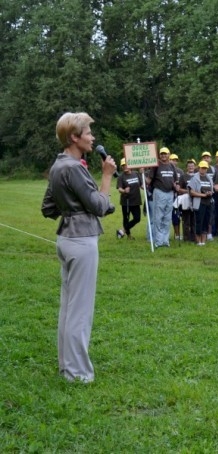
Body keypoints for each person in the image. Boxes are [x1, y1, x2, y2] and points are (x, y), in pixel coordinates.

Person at [41, 112, 116, 383]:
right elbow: (99, 205)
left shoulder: (59, 165)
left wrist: (70, 206)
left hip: (65, 239)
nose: (92, 137)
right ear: (74, 137)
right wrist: (107, 177)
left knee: (68, 308)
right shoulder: (74, 167)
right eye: (88, 133)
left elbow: (48, 208)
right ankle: (78, 374)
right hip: (82, 241)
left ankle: (67, 368)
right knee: (80, 311)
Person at [146, 147, 179, 247]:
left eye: (165, 154)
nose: (164, 156)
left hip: (170, 193)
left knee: (167, 218)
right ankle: (158, 241)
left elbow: (175, 180)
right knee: (158, 217)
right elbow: (149, 180)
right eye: (162, 154)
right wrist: (142, 176)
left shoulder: (172, 166)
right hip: (159, 192)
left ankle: (165, 240)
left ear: (169, 154)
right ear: (159, 155)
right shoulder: (156, 165)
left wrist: (176, 186)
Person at [116, 158, 143, 239]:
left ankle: (122, 231)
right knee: (126, 219)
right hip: (126, 201)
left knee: (137, 218)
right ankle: (129, 236)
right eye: (123, 165)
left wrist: (146, 188)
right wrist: (124, 190)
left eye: (126, 165)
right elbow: (119, 189)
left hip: (136, 200)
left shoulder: (136, 174)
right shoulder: (121, 177)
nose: (125, 167)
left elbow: (141, 185)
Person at [188, 161, 213, 246]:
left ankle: (203, 241)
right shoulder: (195, 178)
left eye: (205, 168)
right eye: (202, 168)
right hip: (199, 203)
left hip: (208, 202)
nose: (204, 170)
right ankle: (198, 241)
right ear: (199, 168)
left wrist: (210, 193)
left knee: (206, 222)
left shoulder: (209, 178)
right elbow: (191, 192)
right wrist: (203, 195)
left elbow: (212, 189)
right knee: (199, 222)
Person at [177, 159, 196, 242]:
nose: (191, 167)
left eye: (192, 166)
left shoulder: (197, 176)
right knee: (186, 219)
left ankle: (194, 237)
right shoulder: (183, 176)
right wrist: (187, 191)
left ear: (195, 167)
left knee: (194, 220)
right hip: (186, 200)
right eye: (189, 166)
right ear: (187, 167)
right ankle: (186, 237)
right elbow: (179, 189)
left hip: (196, 200)